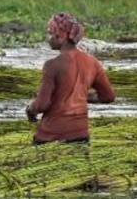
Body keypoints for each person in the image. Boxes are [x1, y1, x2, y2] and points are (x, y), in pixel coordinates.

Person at [25, 13, 116, 144]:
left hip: (51, 136)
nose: (48, 38)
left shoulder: (53, 65)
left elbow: (42, 104)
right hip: (80, 135)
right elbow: (108, 96)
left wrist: (30, 109)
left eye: (50, 33)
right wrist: (82, 96)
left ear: (61, 37)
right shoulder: (92, 62)